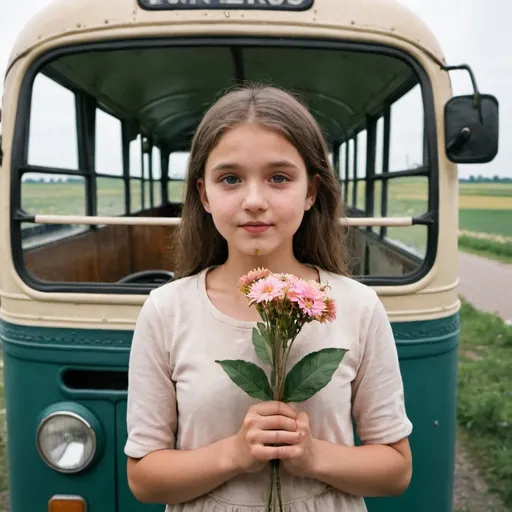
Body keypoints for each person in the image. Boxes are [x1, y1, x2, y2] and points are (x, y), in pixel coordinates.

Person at [124, 84, 413, 512]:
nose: (254, 201)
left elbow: (396, 470)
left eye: (279, 178)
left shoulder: (357, 306)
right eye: (230, 179)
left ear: (311, 192)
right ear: (203, 194)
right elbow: (145, 479)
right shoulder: (167, 310)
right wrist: (235, 454)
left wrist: (313, 456)